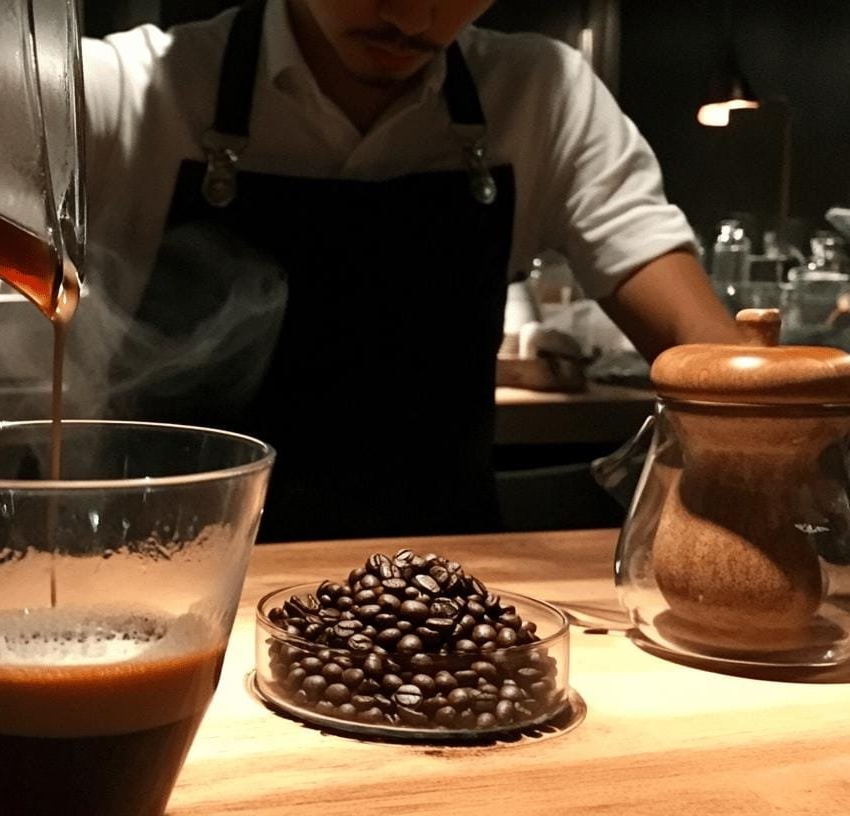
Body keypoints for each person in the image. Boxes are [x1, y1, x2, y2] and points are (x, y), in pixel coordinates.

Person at [80, 0, 740, 543]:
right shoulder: (126, 89)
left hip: (441, 617)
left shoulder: (543, 96)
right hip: (171, 598)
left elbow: (715, 364)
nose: (415, 14)